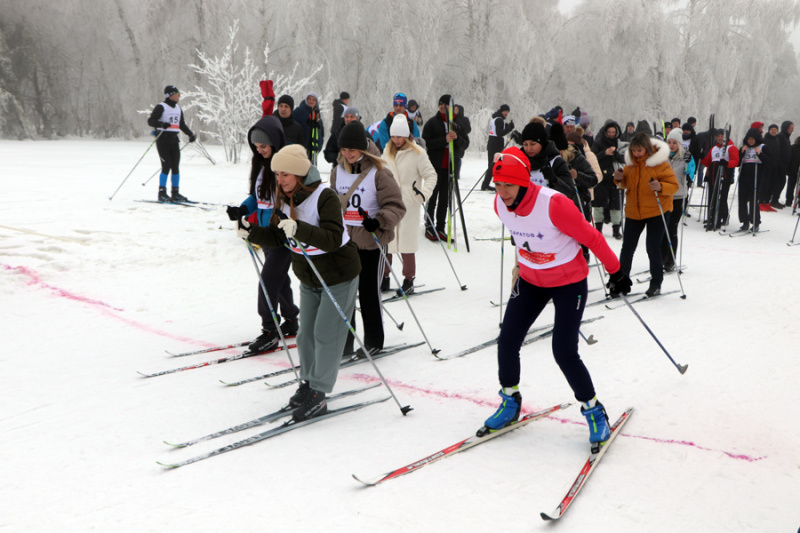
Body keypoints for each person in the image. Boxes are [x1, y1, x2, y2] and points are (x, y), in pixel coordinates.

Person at [482, 146, 632, 449]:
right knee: (507, 339)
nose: (502, 192)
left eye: (508, 185)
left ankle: (593, 409)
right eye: (497, 186)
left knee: (563, 350)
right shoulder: (500, 205)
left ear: (524, 181)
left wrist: (615, 272)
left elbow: (591, 236)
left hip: (568, 283)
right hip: (531, 280)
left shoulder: (554, 204)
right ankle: (510, 400)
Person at [237, 144, 361, 422]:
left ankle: (319, 392)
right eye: (277, 174)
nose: (279, 180)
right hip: (309, 276)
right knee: (306, 335)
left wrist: (300, 229)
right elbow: (277, 237)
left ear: (299, 173)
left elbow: (331, 237)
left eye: (285, 174)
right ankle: (308, 383)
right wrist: (251, 232)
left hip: (338, 274)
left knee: (326, 334)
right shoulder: (284, 198)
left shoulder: (323, 196)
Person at [330, 121, 406, 357]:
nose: (348, 154)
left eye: (352, 149)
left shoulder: (380, 172)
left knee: (368, 292)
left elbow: (396, 206)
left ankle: (374, 340)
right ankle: (345, 341)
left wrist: (379, 220)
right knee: (345, 293)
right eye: (344, 149)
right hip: (344, 242)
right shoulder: (337, 171)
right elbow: (332, 203)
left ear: (362, 148)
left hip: (371, 242)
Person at [226, 115, 299, 353]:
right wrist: (243, 209)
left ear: (275, 142)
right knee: (278, 279)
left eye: (264, 147)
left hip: (281, 235)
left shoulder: (285, 167)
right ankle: (290, 320)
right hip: (265, 234)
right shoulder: (260, 166)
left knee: (268, 280)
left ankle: (270, 330)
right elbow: (257, 199)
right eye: (256, 147)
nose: (260, 151)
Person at [614, 132, 679, 297]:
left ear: (647, 149)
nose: (636, 154)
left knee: (652, 248)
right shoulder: (630, 166)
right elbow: (626, 184)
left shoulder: (660, 164)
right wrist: (619, 178)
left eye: (639, 151)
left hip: (657, 211)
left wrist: (660, 186)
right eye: (633, 151)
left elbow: (674, 186)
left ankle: (656, 283)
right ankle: (621, 283)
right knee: (627, 248)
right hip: (634, 212)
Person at [382, 112, 437, 294]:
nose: (396, 140)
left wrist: (422, 194)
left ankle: (408, 279)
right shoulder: (386, 151)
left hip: (408, 203)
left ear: (406, 135)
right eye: (393, 136)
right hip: (389, 202)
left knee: (407, 242)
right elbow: (380, 174)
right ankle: (384, 276)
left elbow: (431, 175)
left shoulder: (418, 153)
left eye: (399, 136)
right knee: (387, 240)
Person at [422, 94, 468, 241]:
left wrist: (457, 138)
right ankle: (429, 226)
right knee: (433, 196)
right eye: (440, 104)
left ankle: (440, 227)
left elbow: (465, 144)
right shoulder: (432, 123)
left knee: (444, 199)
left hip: (450, 167)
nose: (442, 106)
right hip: (435, 166)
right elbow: (425, 144)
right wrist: (444, 140)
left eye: (445, 104)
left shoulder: (456, 124)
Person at [146, 85, 196, 202]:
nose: (179, 96)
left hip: (174, 140)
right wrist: (161, 124)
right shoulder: (161, 107)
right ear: (170, 95)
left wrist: (190, 134)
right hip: (163, 140)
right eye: (176, 94)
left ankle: (175, 192)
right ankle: (162, 193)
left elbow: (181, 124)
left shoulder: (178, 108)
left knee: (175, 166)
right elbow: (151, 121)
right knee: (166, 165)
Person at [662, 128, 694, 270]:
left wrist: (689, 172)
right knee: (662, 227)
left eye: (674, 142)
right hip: (664, 195)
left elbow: (691, 172)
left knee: (672, 227)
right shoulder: (662, 156)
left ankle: (671, 259)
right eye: (669, 142)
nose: (672, 145)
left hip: (678, 195)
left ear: (679, 143)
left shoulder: (685, 156)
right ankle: (662, 255)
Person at [591, 120, 626, 238]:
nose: (611, 134)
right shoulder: (598, 142)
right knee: (599, 202)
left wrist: (615, 153)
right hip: (601, 177)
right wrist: (604, 153)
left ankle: (616, 229)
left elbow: (625, 158)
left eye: (613, 132)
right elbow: (592, 157)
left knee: (616, 203)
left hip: (616, 176)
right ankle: (598, 228)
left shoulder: (620, 143)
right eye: (609, 132)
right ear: (605, 132)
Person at [701, 129, 740, 228]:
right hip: (713, 175)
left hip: (725, 175)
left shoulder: (731, 147)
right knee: (712, 197)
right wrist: (702, 158)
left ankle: (722, 217)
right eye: (718, 136)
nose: (720, 138)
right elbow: (708, 162)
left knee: (722, 198)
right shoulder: (713, 148)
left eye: (722, 136)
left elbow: (736, 161)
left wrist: (727, 163)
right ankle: (713, 217)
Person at [737, 127, 771, 232]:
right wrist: (742, 153)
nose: (750, 141)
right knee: (742, 200)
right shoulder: (744, 147)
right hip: (744, 177)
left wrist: (760, 153)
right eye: (749, 139)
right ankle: (745, 221)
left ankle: (755, 222)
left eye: (753, 139)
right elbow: (738, 163)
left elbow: (769, 162)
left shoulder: (763, 147)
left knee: (753, 201)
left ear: (757, 139)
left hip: (756, 178)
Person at [484, 104, 515, 191]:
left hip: (492, 144)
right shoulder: (499, 120)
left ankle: (485, 184)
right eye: (505, 111)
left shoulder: (495, 119)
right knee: (495, 166)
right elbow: (499, 133)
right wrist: (509, 128)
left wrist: (507, 127)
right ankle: (494, 185)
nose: (506, 113)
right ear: (501, 111)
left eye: (507, 112)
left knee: (492, 165)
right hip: (495, 145)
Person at [292, 92, 324, 164]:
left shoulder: (317, 114)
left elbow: (321, 131)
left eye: (313, 99)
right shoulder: (299, 111)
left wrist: (319, 144)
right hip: (302, 148)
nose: (311, 101)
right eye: (309, 99)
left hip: (313, 149)